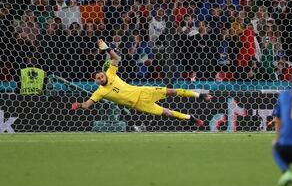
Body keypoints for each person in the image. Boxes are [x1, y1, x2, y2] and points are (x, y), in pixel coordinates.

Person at [71, 40, 212, 126]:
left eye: (101, 76)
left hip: (142, 91)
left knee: (170, 91)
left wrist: (107, 48)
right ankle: (191, 118)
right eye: (98, 79)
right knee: (167, 113)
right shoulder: (100, 92)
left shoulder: (110, 73)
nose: (101, 79)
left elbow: (116, 59)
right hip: (139, 104)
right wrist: (79, 105)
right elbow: (88, 104)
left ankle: (199, 95)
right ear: (95, 81)